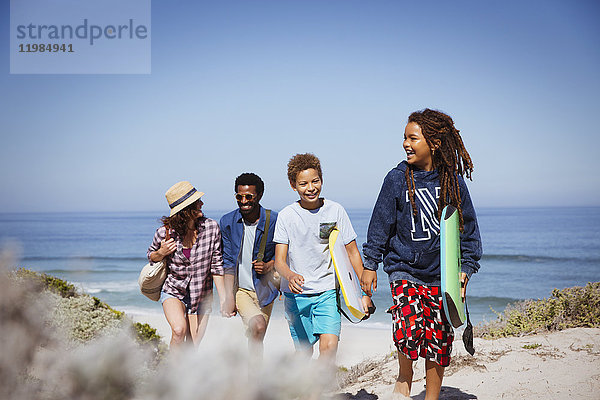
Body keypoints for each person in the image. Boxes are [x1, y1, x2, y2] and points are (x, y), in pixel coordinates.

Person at [361, 109, 482, 400]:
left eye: (413, 138)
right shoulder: (396, 179)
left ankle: (432, 396)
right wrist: (370, 264)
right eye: (404, 137)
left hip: (442, 275)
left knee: (438, 340)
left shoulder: (452, 180)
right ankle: (404, 379)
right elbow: (380, 224)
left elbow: (467, 228)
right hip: (403, 268)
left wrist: (465, 268)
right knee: (407, 327)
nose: (406, 143)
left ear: (435, 142)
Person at [273, 153, 372, 363]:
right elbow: (279, 261)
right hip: (295, 296)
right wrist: (290, 275)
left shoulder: (335, 210)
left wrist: (364, 292)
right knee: (304, 353)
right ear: (293, 185)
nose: (311, 188)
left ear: (322, 179)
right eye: (303, 183)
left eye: (315, 181)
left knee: (329, 348)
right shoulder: (286, 216)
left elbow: (352, 253)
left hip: (327, 291)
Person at [147, 181, 232, 349]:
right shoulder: (164, 233)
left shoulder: (211, 228)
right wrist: (161, 252)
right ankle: (171, 374)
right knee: (179, 331)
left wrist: (224, 299)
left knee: (192, 346)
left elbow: (216, 266)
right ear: (185, 210)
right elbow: (151, 256)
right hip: (174, 290)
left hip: (201, 295)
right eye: (197, 202)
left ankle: (182, 374)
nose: (202, 204)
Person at [219, 173, 279, 361]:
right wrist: (229, 297)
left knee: (257, 338)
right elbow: (228, 262)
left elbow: (287, 254)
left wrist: (270, 265)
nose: (243, 201)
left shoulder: (275, 220)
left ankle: (252, 382)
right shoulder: (228, 222)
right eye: (239, 196)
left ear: (259, 195)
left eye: (248, 197)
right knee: (258, 326)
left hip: (266, 291)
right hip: (242, 292)